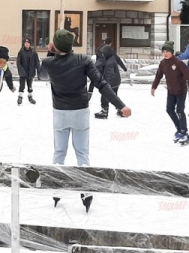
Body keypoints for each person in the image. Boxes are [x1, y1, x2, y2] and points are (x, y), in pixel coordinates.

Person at [41, 30, 132, 213]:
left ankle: (57, 189)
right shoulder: (83, 60)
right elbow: (101, 84)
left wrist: (51, 53)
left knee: (59, 152)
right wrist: (120, 105)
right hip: (80, 111)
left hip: (60, 112)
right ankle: (86, 192)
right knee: (82, 153)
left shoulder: (48, 62)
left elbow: (42, 76)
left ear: (56, 46)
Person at [151, 41, 189, 146]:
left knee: (180, 110)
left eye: (167, 51)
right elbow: (158, 76)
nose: (165, 53)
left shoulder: (178, 63)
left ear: (172, 52)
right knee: (169, 109)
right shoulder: (163, 63)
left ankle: (184, 132)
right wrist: (154, 87)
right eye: (163, 51)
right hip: (171, 91)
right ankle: (179, 129)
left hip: (181, 91)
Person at [92, 39, 128, 119]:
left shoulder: (109, 61)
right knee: (113, 96)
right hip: (116, 81)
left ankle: (104, 111)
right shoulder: (108, 55)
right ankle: (121, 109)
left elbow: (110, 73)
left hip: (112, 81)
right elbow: (117, 59)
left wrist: (106, 84)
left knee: (106, 94)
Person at [16, 38, 39, 105]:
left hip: (31, 72)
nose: (27, 44)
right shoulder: (21, 52)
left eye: (28, 43)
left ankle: (30, 97)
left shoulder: (33, 52)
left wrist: (39, 70)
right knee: (22, 85)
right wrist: (21, 71)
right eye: (25, 43)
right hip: (23, 72)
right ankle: (20, 97)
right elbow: (18, 62)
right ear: (24, 44)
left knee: (30, 86)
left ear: (30, 44)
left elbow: (37, 62)